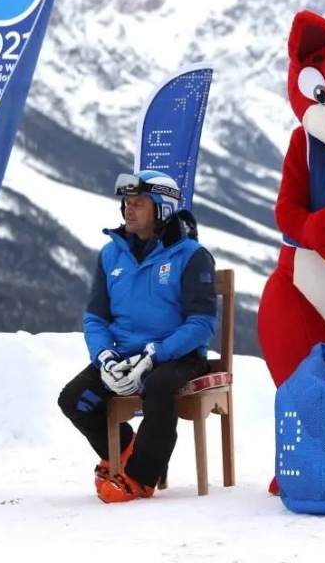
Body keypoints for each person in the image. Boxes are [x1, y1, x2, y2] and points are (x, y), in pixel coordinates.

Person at [58, 169, 217, 503]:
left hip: (178, 356)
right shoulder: (111, 254)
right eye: (127, 203)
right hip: (125, 355)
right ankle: (124, 448)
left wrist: (155, 354)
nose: (128, 210)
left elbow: (201, 323)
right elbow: (96, 318)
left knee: (158, 386)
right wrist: (104, 357)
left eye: (139, 203)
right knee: (73, 399)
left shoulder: (192, 255)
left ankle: (141, 477)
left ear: (162, 209)